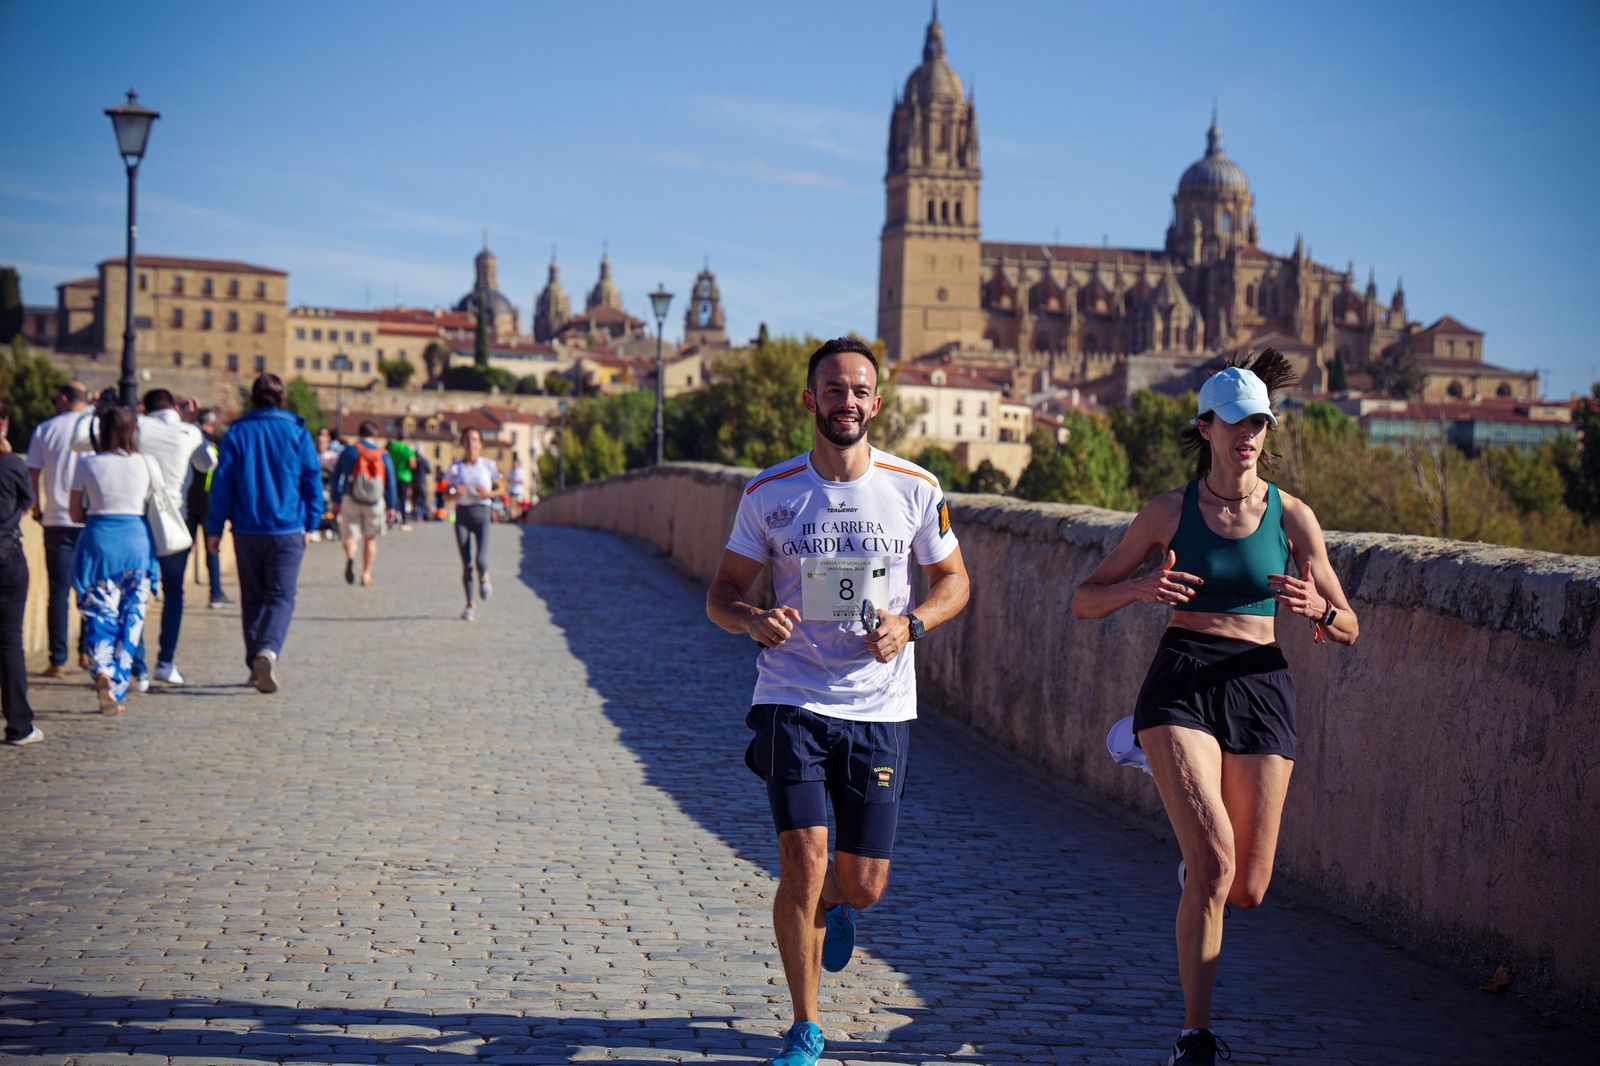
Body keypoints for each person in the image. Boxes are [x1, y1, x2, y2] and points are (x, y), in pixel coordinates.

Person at [1069, 352, 1360, 1066]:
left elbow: (1350, 624)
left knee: (1249, 889)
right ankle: (1195, 1037)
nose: (1247, 436)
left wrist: (1319, 608)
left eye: (1258, 423)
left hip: (1261, 681)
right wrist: (1139, 590)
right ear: (1205, 427)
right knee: (1215, 863)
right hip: (1184, 678)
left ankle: (1195, 852)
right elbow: (1084, 599)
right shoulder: (1169, 512)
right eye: (1233, 423)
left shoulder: (1293, 517)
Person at [705, 337, 970, 1066]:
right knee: (803, 860)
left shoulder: (915, 487)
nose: (845, 401)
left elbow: (955, 584)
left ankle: (834, 908)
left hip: (880, 707)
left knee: (864, 884)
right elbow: (721, 595)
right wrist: (752, 620)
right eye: (833, 389)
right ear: (810, 401)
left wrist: (911, 624)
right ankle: (805, 1024)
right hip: (791, 696)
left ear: (876, 403)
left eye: (859, 390)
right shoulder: (771, 493)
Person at [203, 374, 323, 695]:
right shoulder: (297, 432)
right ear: (282, 398)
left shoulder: (239, 432)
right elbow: (312, 480)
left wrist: (214, 529)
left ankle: (254, 664)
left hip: (247, 528)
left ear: (253, 398)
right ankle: (267, 651)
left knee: (253, 596)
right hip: (287, 528)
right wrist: (312, 523)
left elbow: (222, 484)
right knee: (282, 596)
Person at [68, 405, 158, 716]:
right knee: (131, 620)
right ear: (133, 431)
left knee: (100, 615)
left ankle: (103, 672)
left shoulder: (88, 463)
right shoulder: (145, 463)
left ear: (102, 431)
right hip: (137, 544)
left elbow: (75, 513)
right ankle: (118, 688)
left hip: (99, 543)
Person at [132, 390, 215, 686]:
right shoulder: (189, 431)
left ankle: (137, 666)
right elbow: (208, 464)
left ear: (146, 407)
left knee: (134, 592)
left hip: (139, 518)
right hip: (174, 521)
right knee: (174, 592)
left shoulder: (138, 426)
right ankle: (165, 662)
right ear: (176, 407)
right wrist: (195, 427)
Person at [25, 380, 89, 677]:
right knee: (89, 590)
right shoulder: (95, 427)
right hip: (88, 519)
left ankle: (58, 658)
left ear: (63, 398)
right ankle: (87, 652)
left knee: (58, 592)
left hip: (56, 519)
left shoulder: (45, 430)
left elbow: (32, 474)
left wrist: (37, 508)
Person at [1, 402, 42, 745]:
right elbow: (27, 501)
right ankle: (18, 725)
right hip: (6, 556)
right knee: (10, 641)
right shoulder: (11, 466)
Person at [329, 420, 399, 587]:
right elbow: (391, 481)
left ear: (359, 433)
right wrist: (392, 506)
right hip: (375, 501)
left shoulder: (349, 451)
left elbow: (336, 477)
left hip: (350, 497)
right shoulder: (382, 454)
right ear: (375, 435)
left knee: (350, 535)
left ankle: (351, 556)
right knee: (370, 538)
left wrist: (336, 499)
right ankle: (366, 574)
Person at [445, 427, 504, 621]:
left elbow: (502, 489)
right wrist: (456, 492)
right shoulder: (455, 468)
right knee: (466, 563)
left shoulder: (488, 465)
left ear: (481, 444)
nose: (472, 444)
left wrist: (488, 494)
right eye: (468, 440)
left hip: (482, 513)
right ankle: (470, 604)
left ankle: (484, 577)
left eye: (475, 440)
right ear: (462, 443)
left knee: (480, 558)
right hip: (462, 515)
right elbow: (446, 494)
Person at [187, 409, 232, 609]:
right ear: (212, 423)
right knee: (212, 549)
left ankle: (172, 588)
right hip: (209, 502)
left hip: (188, 500)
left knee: (182, 549)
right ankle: (216, 592)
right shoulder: (215, 443)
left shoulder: (189, 440)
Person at [386, 425, 417, 529]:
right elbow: (412, 464)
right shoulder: (407, 449)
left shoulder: (391, 447)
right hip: (404, 476)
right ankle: (404, 520)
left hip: (392, 475)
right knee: (403, 499)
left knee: (392, 497)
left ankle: (390, 519)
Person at [507, 454, 528, 520]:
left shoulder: (521, 472)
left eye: (516, 464)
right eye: (514, 464)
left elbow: (523, 481)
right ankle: (513, 517)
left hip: (518, 491)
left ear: (518, 464)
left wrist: (517, 480)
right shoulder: (510, 471)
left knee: (518, 505)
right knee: (513, 504)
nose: (514, 465)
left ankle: (518, 517)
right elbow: (508, 480)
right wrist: (512, 480)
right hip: (512, 490)